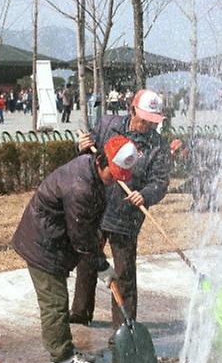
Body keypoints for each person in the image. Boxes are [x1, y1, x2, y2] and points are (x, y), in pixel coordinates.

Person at [12, 135, 139, 363]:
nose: (115, 181)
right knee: (55, 303)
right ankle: (61, 357)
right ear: (101, 161)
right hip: (42, 244)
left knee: (57, 301)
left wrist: (99, 257)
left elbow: (87, 227)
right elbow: (81, 237)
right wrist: (101, 266)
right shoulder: (80, 186)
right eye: (113, 174)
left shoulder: (91, 170)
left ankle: (65, 349)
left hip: (54, 240)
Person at [71, 89, 171, 334]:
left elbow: (160, 182)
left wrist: (145, 195)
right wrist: (81, 146)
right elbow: (89, 156)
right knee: (87, 259)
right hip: (97, 205)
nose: (147, 124)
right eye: (144, 118)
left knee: (124, 273)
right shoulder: (108, 125)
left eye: (153, 121)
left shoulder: (158, 147)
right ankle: (80, 314)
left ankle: (124, 329)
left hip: (127, 214)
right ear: (132, 109)